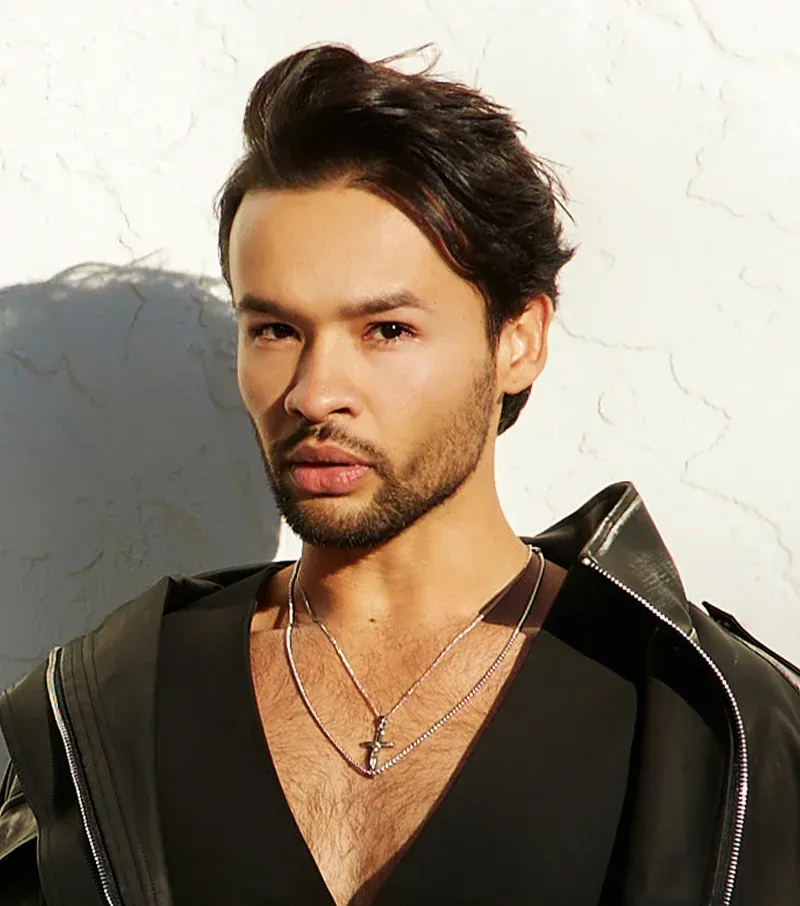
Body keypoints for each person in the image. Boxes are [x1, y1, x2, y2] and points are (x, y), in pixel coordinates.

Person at [1, 44, 799, 906]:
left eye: (386, 330)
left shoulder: (708, 722)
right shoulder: (103, 713)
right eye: (274, 331)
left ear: (519, 340)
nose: (314, 394)